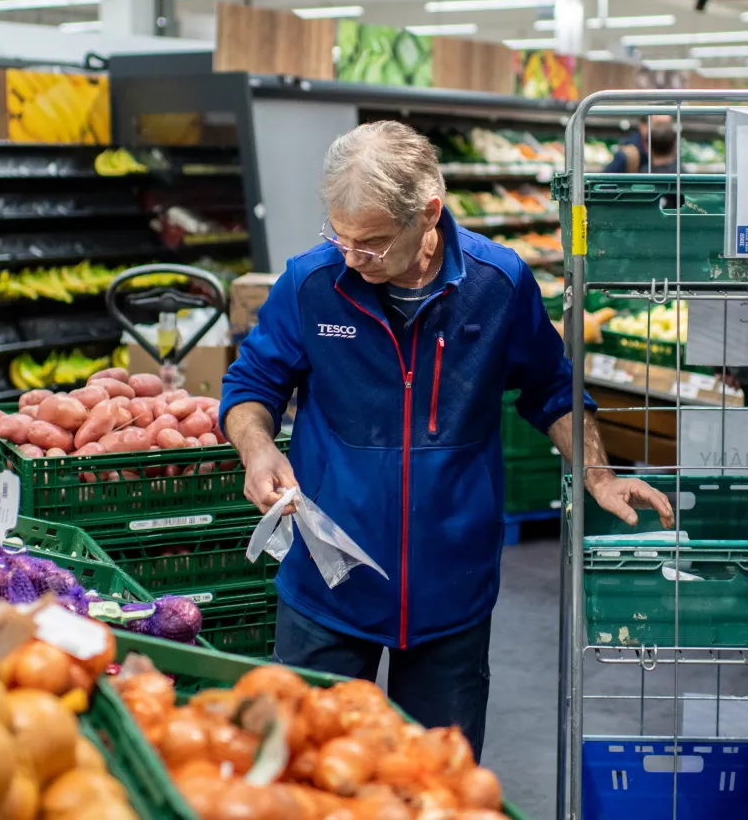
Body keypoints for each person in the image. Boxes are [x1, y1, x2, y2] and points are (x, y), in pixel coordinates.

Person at [219, 121, 674, 757]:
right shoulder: (311, 283)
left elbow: (551, 388)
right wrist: (257, 446)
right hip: (327, 585)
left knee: (438, 785)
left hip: (450, 595)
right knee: (304, 771)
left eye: (372, 243)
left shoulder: (499, 283)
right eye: (340, 236)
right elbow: (251, 384)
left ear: (428, 215)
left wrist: (598, 472)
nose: (352, 257)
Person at [604, 114, 678, 174]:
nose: (664, 129)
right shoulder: (627, 155)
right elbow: (604, 185)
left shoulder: (672, 153)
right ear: (643, 127)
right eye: (659, 124)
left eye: (668, 125)